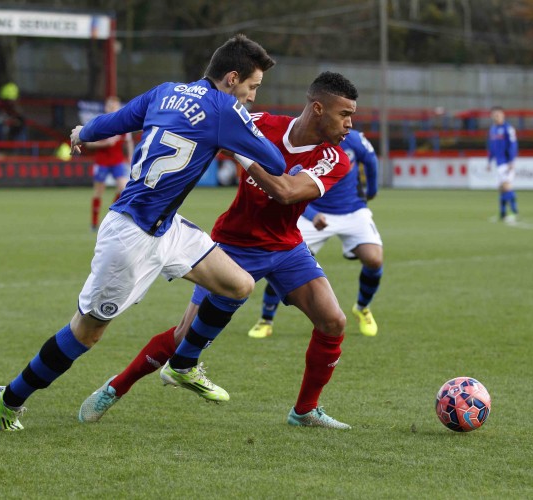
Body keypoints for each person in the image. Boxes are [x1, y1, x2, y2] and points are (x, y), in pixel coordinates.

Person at [0, 34, 286, 431]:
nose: (252, 97)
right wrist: (241, 134)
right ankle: (10, 397)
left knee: (238, 284)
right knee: (86, 333)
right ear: (231, 78)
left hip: (166, 227)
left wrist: (81, 133)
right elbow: (276, 161)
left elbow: (117, 121)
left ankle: (182, 365)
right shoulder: (226, 111)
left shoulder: (165, 92)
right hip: (129, 238)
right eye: (252, 87)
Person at [79, 71, 358, 430]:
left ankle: (304, 410)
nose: (350, 124)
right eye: (344, 114)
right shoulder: (259, 123)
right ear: (318, 108)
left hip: (286, 247)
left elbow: (286, 192)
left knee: (333, 321)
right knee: (183, 336)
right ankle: (115, 388)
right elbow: (200, 130)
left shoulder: (335, 158)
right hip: (233, 246)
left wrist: (243, 154)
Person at [248, 128, 383, 338]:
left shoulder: (354, 139)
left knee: (374, 259)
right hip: (313, 212)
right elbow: (289, 190)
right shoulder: (303, 144)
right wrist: (313, 214)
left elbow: (371, 160)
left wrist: (371, 191)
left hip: (353, 211)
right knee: (283, 260)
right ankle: (265, 319)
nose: (345, 123)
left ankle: (362, 308)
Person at [86, 96, 134, 231]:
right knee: (98, 192)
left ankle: (111, 216)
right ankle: (94, 223)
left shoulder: (124, 123)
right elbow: (88, 143)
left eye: (115, 106)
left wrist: (130, 156)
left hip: (117, 161)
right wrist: (105, 143)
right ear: (106, 107)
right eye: (110, 106)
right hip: (102, 162)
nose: (112, 108)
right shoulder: (99, 123)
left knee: (123, 189)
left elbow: (128, 141)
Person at [487, 106, 519, 223]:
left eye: (498, 115)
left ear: (503, 115)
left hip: (506, 162)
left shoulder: (508, 128)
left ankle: (514, 212)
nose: (496, 117)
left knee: (506, 186)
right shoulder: (493, 129)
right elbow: (491, 147)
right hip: (498, 163)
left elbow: (513, 145)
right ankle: (503, 213)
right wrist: (489, 161)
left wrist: (511, 160)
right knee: (501, 188)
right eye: (494, 115)